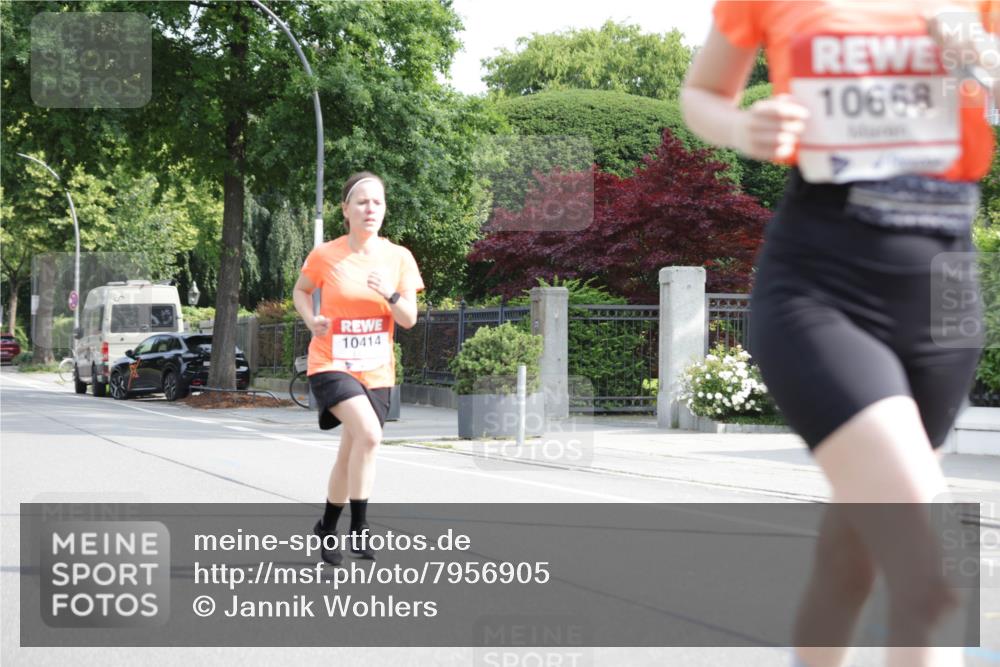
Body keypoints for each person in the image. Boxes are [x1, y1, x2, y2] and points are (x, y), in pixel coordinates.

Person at [681, 2, 998, 666]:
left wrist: (985, 58)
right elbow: (702, 94)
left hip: (943, 286)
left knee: (850, 560)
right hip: (821, 282)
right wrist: (743, 127)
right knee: (928, 572)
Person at [293, 171, 423, 565]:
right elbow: (301, 291)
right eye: (362, 202)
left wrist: (389, 292)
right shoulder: (325, 255)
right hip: (331, 362)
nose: (370, 209)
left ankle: (327, 528)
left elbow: (408, 319)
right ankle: (360, 528)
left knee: (352, 449)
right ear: (345, 210)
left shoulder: (399, 257)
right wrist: (311, 319)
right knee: (369, 434)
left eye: (377, 202)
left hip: (376, 370)